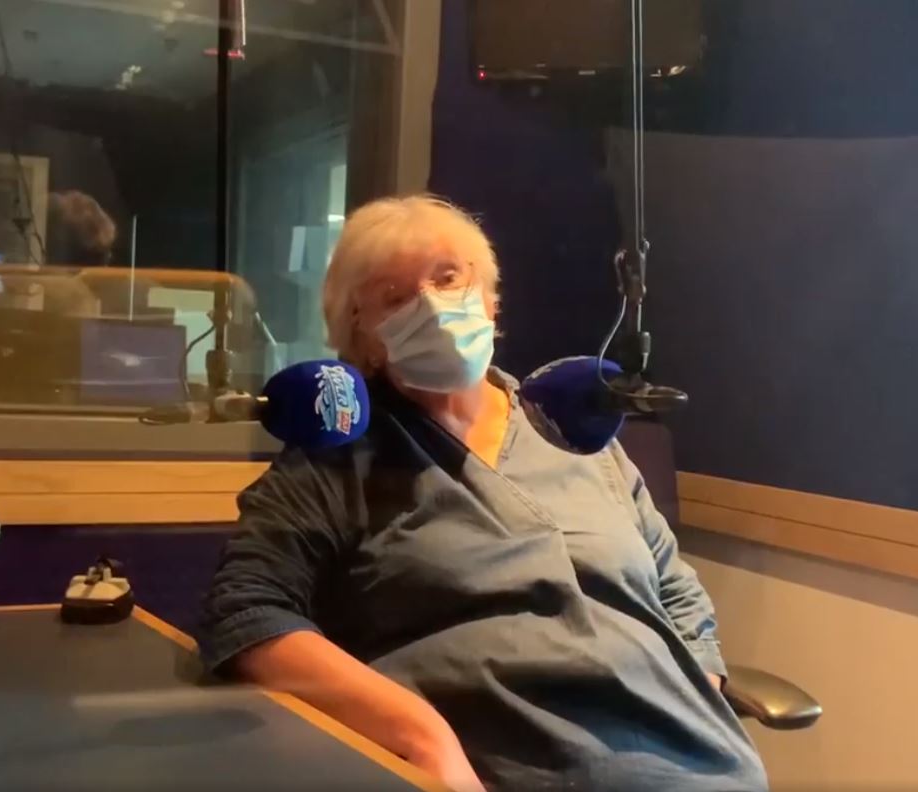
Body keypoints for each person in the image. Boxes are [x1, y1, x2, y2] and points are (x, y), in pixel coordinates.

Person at [200, 195, 767, 791]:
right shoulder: (338, 458)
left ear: (491, 302)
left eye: (448, 278)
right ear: (362, 336)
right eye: (395, 297)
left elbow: (675, 588)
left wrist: (695, 696)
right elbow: (245, 613)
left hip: (698, 766)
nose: (432, 306)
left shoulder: (573, 431)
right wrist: (423, 737)